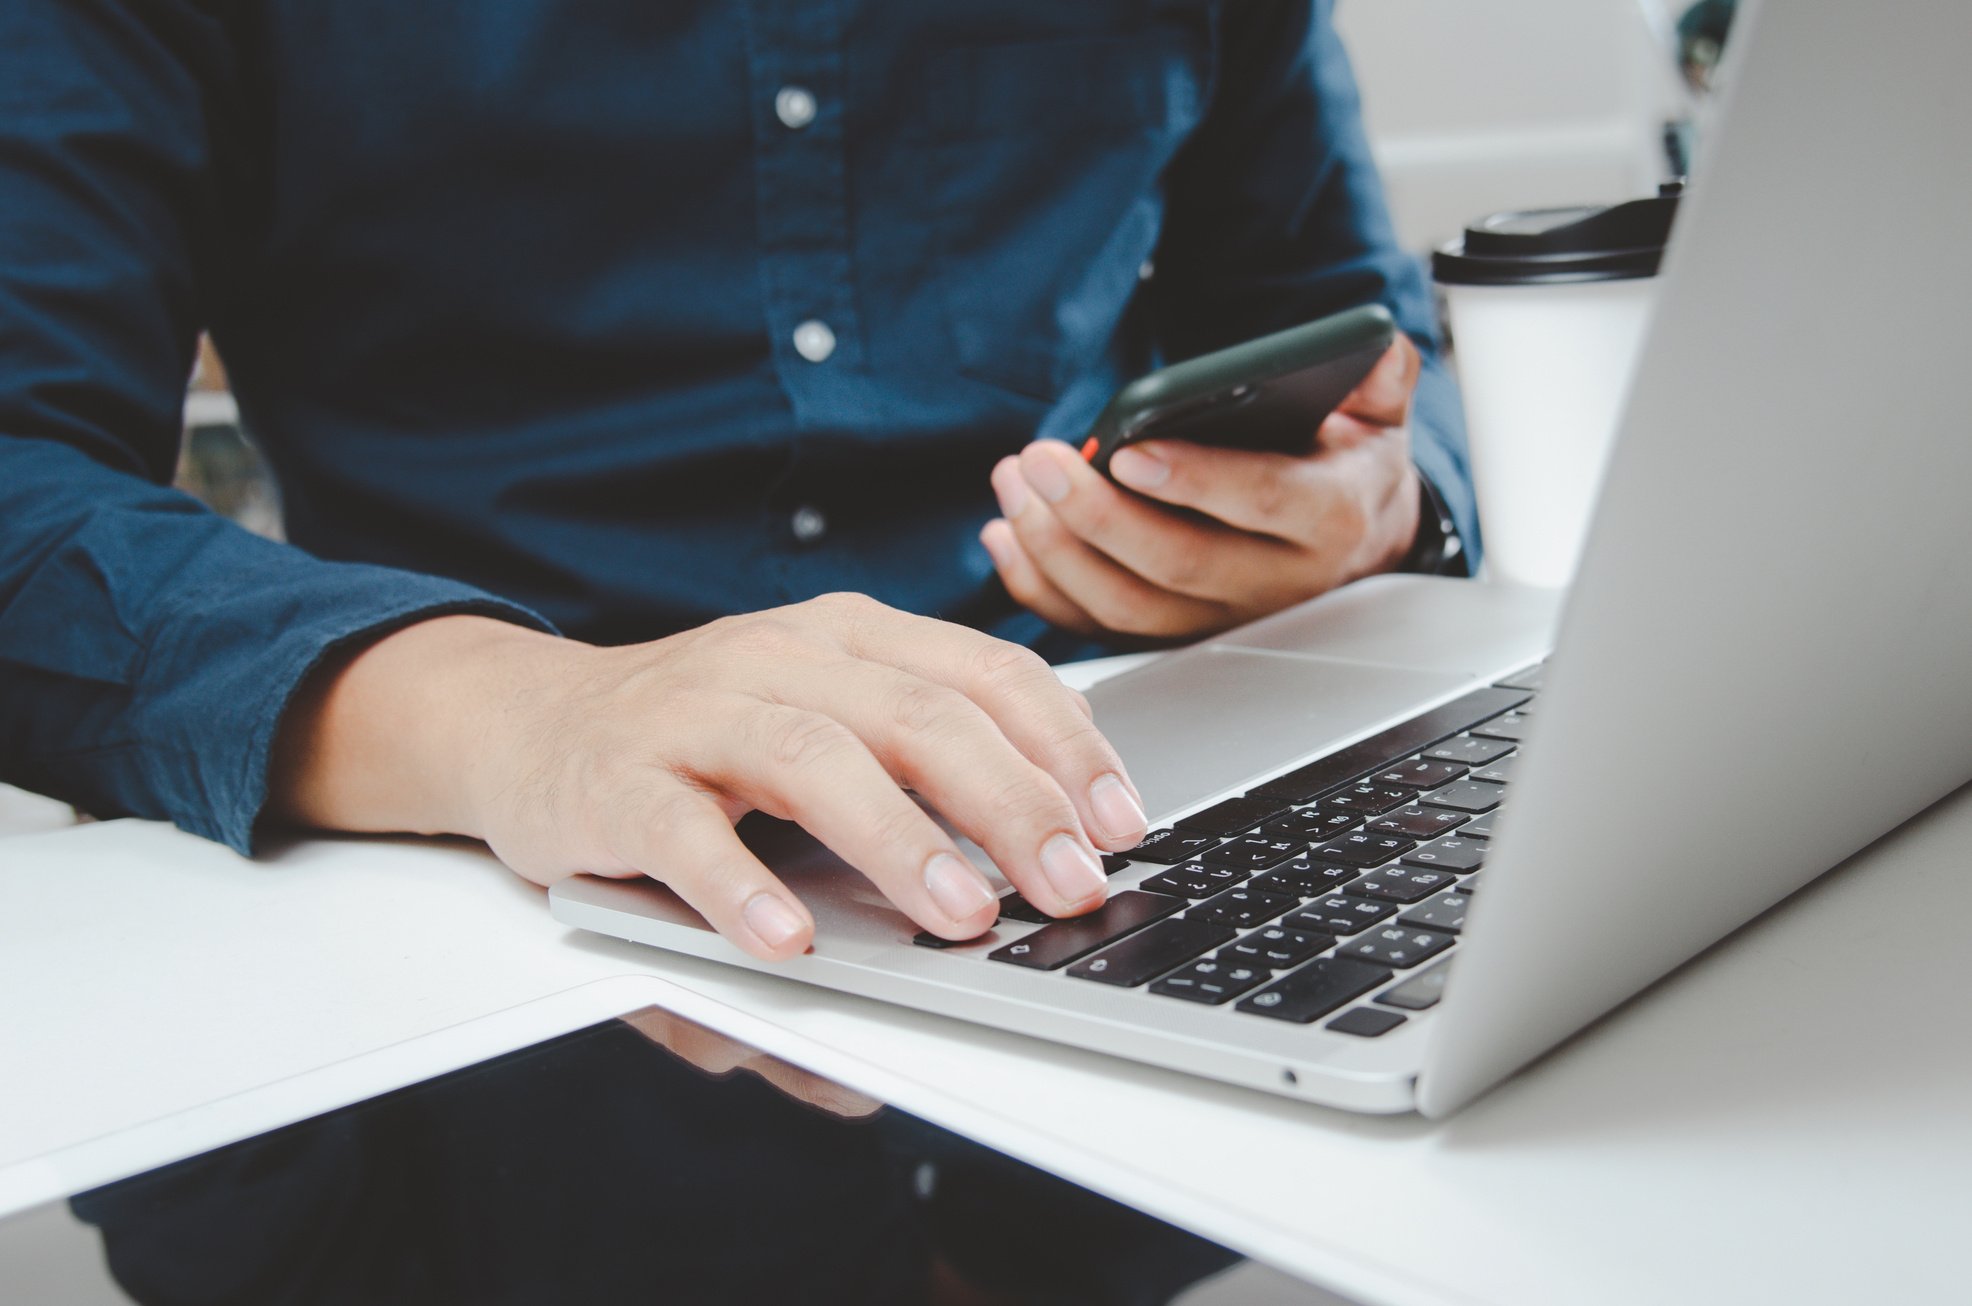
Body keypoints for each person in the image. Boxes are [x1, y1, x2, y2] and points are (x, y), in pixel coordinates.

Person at [0, 2, 1475, 961]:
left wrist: (1381, 507)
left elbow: (1364, 337)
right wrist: (522, 710)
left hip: (1144, 856)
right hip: (479, 963)